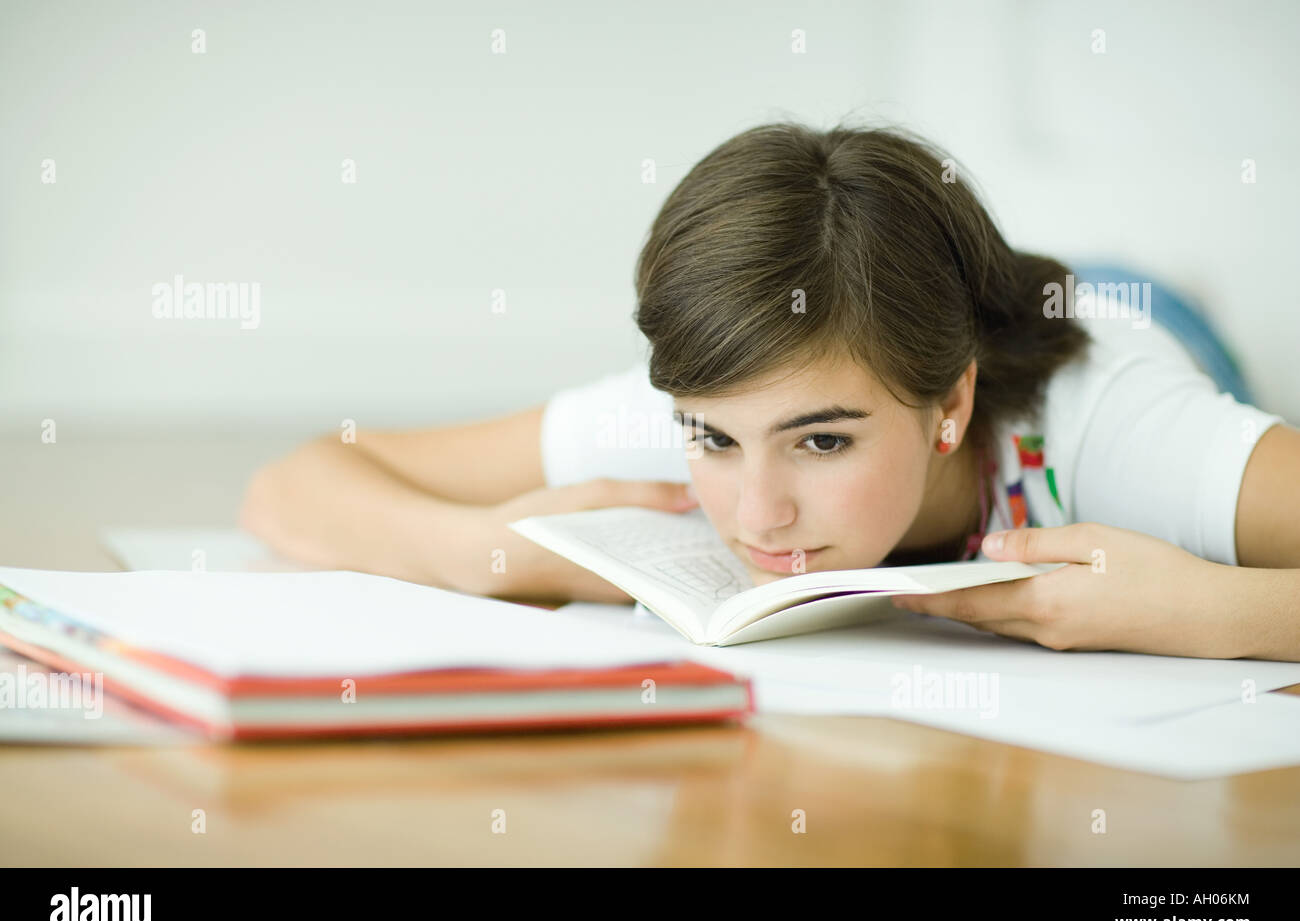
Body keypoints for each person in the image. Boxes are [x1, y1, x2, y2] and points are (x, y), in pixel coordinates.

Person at [239, 122, 1300, 661]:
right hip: (966, 293)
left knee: (1122, 291)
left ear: (950, 408)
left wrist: (1206, 609)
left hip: (1107, 315)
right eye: (712, 438)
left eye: (823, 443)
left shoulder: (1119, 431)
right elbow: (292, 485)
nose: (757, 515)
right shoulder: (711, 403)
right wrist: (493, 551)